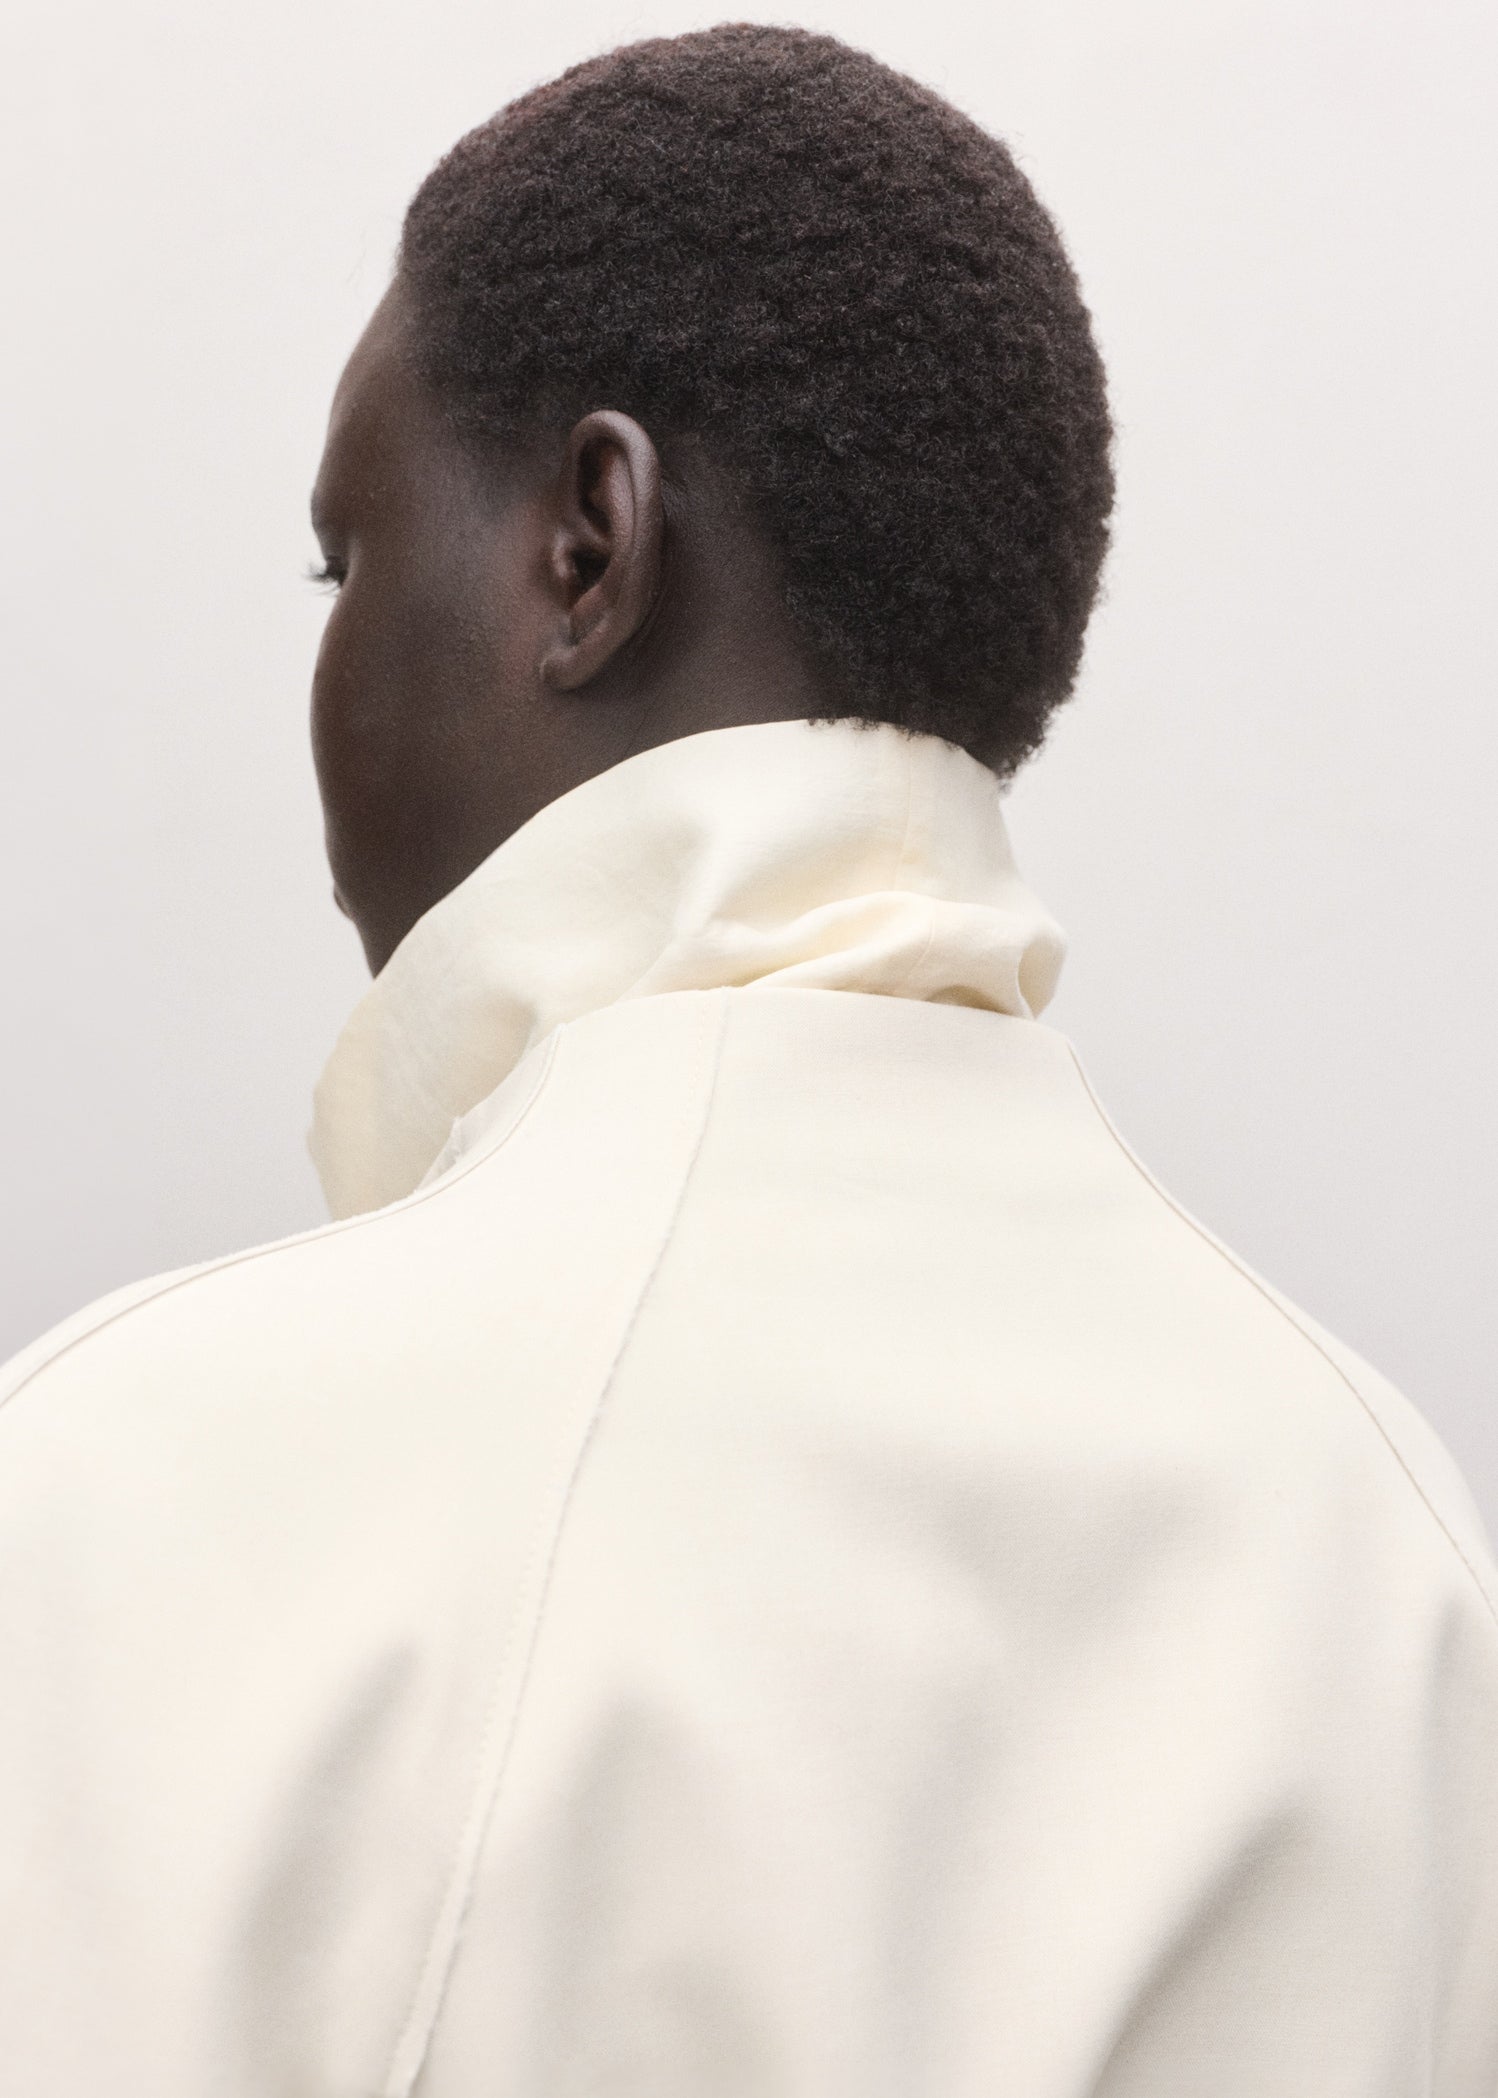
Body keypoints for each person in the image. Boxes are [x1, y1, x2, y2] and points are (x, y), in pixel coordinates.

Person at [2, 22, 1495, 2095]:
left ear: (587, 547)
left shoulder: (134, 1486)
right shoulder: (1379, 1556)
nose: (324, 677)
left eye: (344, 563)